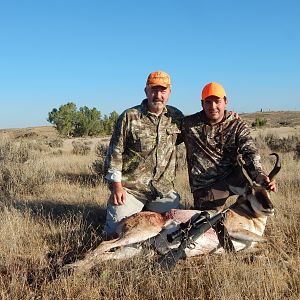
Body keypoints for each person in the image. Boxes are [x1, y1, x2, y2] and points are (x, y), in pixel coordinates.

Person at [103, 71, 184, 236]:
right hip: (131, 190)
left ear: (169, 92)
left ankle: (149, 212)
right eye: (153, 90)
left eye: (163, 90)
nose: (158, 95)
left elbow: (202, 124)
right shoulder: (129, 116)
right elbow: (115, 153)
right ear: (146, 91)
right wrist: (117, 187)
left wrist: (229, 117)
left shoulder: (176, 116)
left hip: (163, 191)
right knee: (116, 234)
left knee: (178, 231)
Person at [181, 82, 276, 212]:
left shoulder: (237, 124)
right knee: (209, 222)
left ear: (225, 101)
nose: (213, 106)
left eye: (217, 101)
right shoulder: (188, 124)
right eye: (208, 102)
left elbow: (249, 151)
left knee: (260, 203)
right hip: (206, 185)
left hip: (234, 178)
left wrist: (259, 174)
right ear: (202, 104)